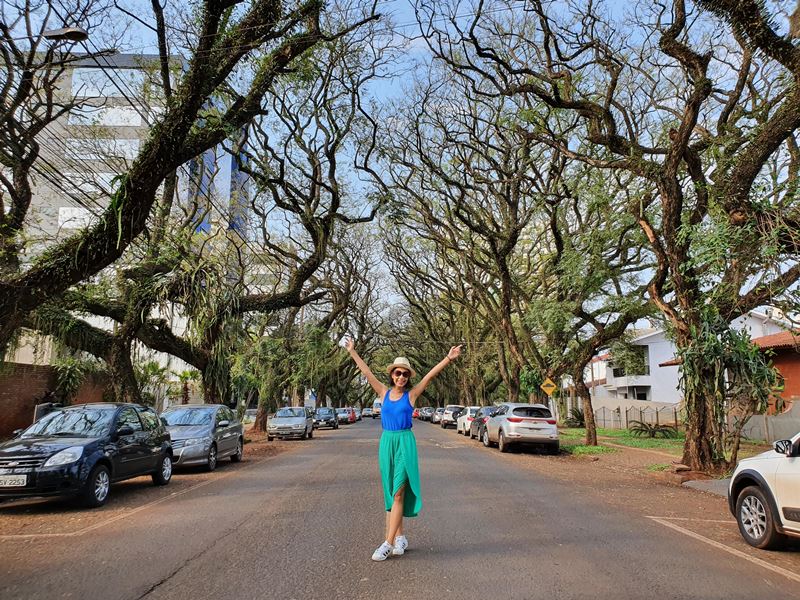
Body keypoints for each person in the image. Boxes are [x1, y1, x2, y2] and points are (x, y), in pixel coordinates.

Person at [345, 339, 462, 561]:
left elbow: (430, 376)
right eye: (397, 373)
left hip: (405, 443)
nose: (401, 377)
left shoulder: (412, 395)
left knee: (399, 492)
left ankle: (387, 543)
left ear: (408, 377)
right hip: (386, 442)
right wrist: (352, 352)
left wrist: (448, 358)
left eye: (405, 374)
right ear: (392, 375)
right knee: (391, 494)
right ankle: (400, 537)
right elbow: (366, 371)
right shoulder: (383, 392)